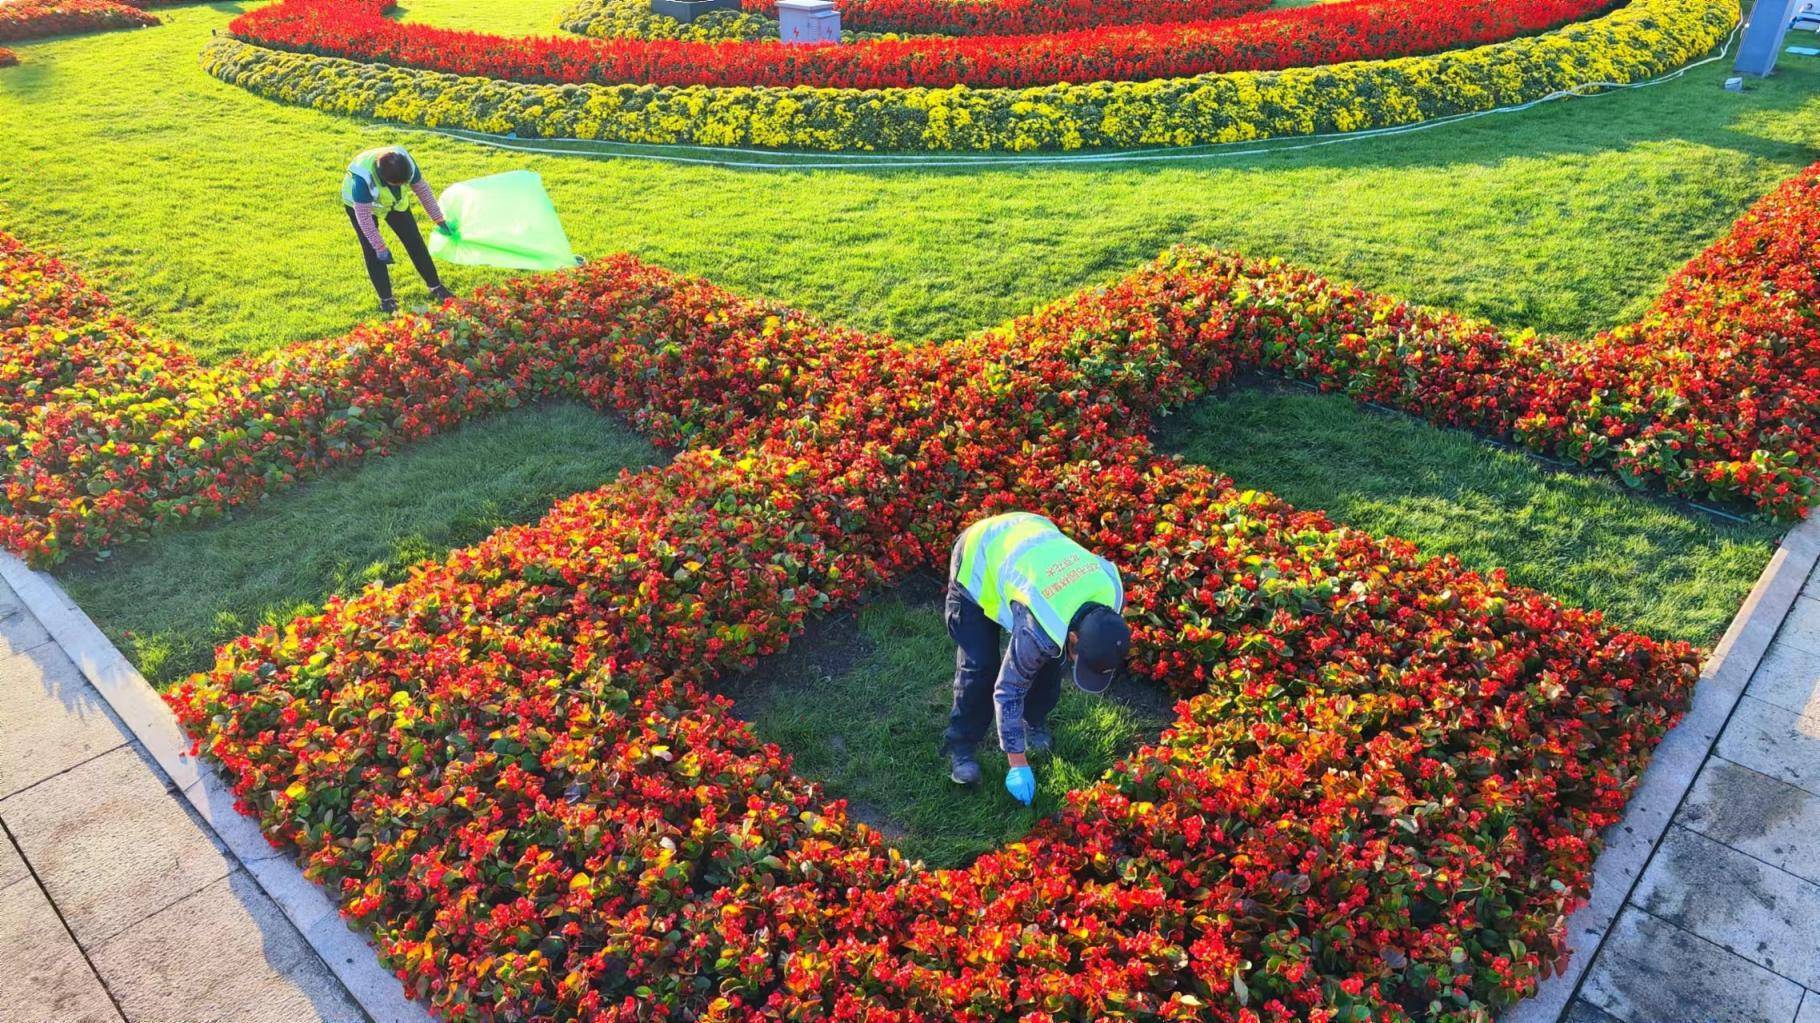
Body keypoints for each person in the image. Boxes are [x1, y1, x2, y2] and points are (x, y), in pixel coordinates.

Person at [943, 511, 1131, 805]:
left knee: (1051, 658)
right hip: (980, 554)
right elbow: (1008, 691)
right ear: (1074, 638)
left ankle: (1032, 721)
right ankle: (962, 747)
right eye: (1080, 657)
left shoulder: (1111, 593)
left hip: (1031, 538)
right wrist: (1018, 765)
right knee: (981, 665)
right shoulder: (1042, 621)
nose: (1077, 664)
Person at [340, 146, 456, 314]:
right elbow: (364, 219)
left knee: (414, 240)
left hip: (395, 203)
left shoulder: (406, 162)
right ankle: (386, 300)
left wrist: (439, 219)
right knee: (372, 251)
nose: (403, 186)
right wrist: (380, 247)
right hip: (359, 206)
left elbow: (422, 190)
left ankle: (435, 286)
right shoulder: (363, 180)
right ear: (384, 179)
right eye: (398, 184)